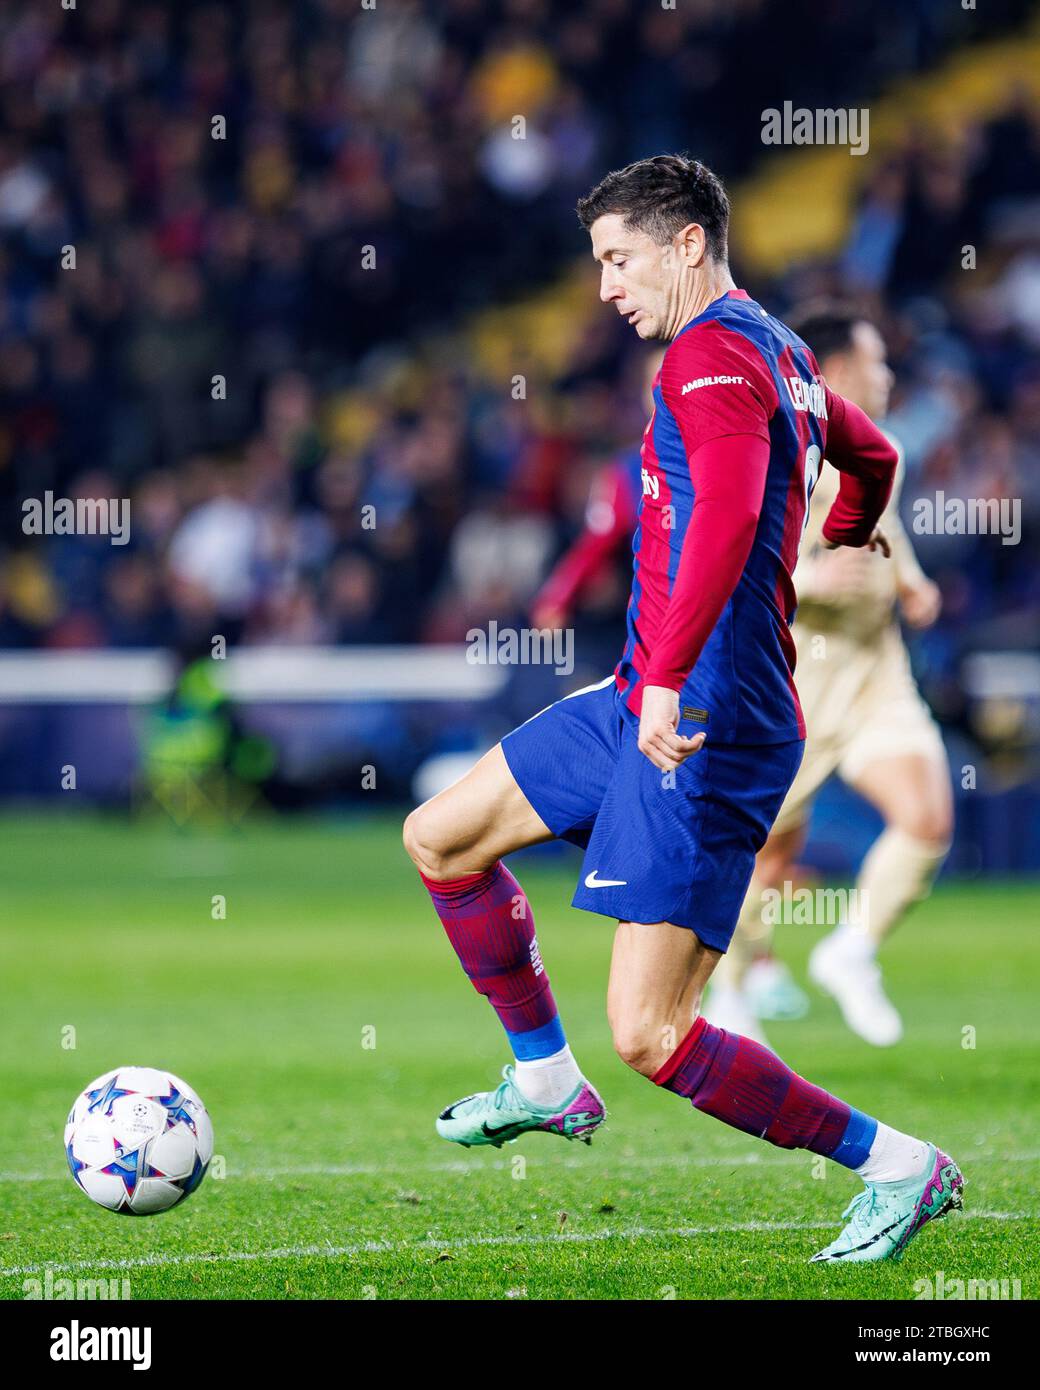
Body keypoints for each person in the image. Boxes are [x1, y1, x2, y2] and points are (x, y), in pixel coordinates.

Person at [403, 155, 963, 1263]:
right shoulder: (779, 349)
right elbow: (873, 452)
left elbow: (716, 523)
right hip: (642, 698)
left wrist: (667, 669)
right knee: (441, 838)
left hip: (703, 721)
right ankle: (542, 1078)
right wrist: (844, 527)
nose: (606, 287)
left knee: (651, 1035)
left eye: (618, 259)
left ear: (686, 245)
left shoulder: (708, 359)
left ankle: (899, 1163)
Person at [706, 305, 951, 1049]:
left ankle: (850, 951)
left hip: (877, 674)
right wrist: (810, 581)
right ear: (839, 371)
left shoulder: (885, 453)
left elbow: (882, 526)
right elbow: (737, 555)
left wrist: (908, 579)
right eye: (876, 362)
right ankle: (731, 986)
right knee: (770, 856)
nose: (887, 375)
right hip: (798, 680)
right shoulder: (787, 448)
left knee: (928, 818)